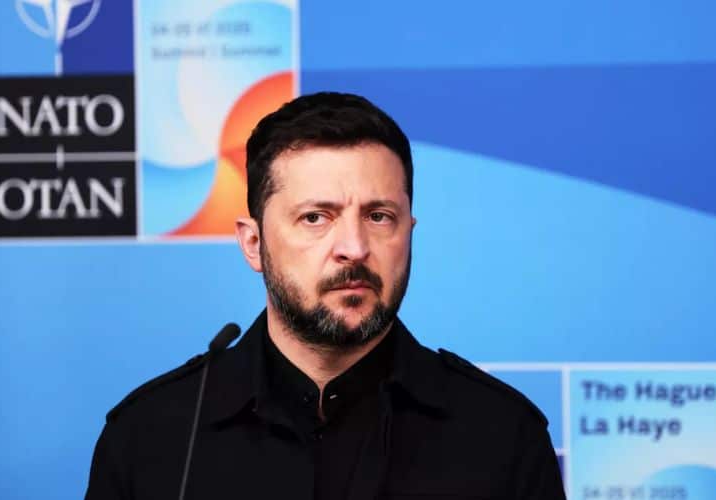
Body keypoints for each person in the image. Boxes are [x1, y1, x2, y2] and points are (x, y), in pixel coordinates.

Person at [85, 92, 566, 499]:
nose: (354, 248)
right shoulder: (152, 437)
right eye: (316, 217)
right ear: (253, 243)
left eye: (379, 217)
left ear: (409, 231)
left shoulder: (503, 438)